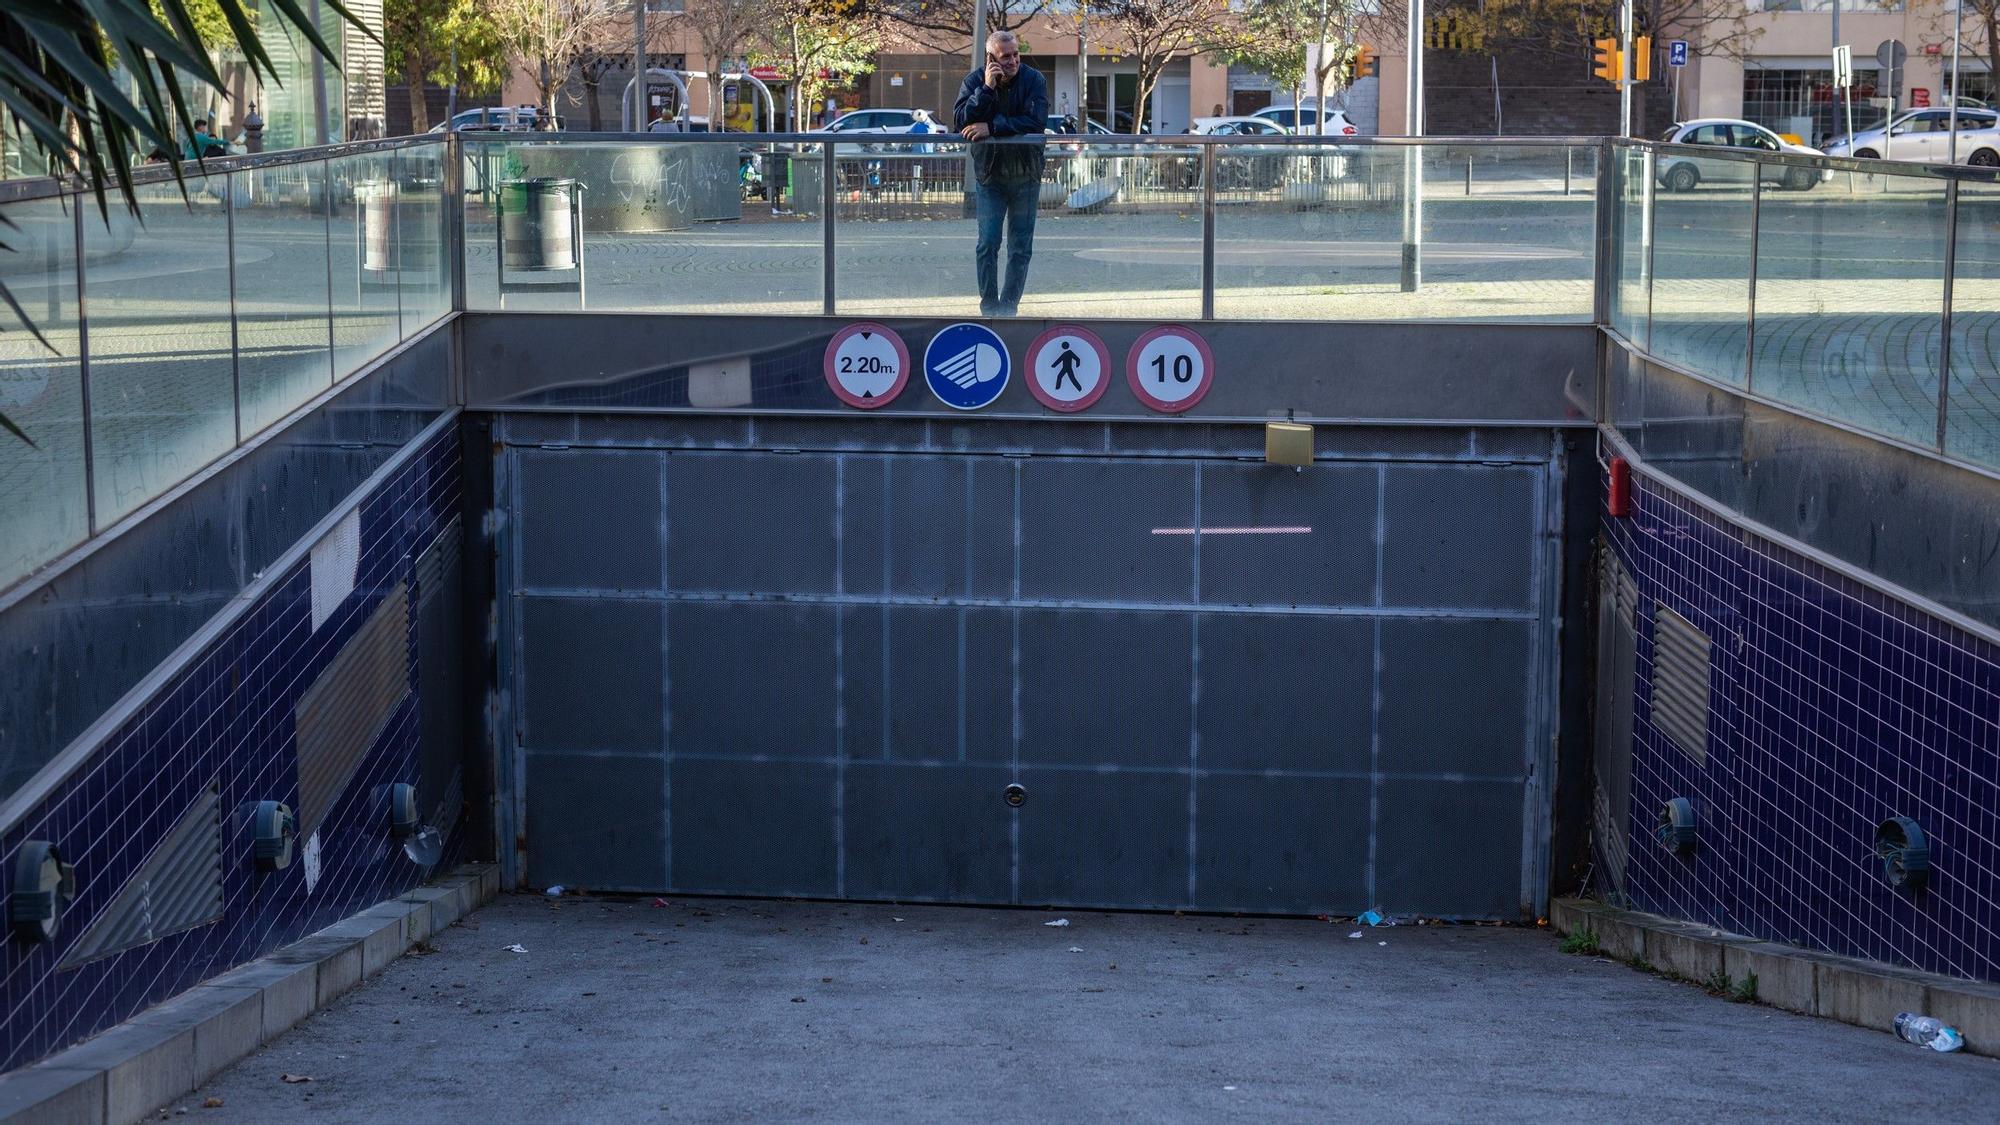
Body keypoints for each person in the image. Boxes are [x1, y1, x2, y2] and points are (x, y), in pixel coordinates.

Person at [953, 30, 1047, 318]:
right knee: (988, 243)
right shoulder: (974, 81)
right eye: (1006, 56)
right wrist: (987, 89)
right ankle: (989, 307)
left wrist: (993, 127)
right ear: (991, 58)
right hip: (990, 176)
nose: (1014, 61)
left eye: (1016, 54)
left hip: (1026, 175)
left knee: (1020, 247)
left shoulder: (1034, 79)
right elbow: (961, 121)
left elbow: (1037, 121)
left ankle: (1008, 307)